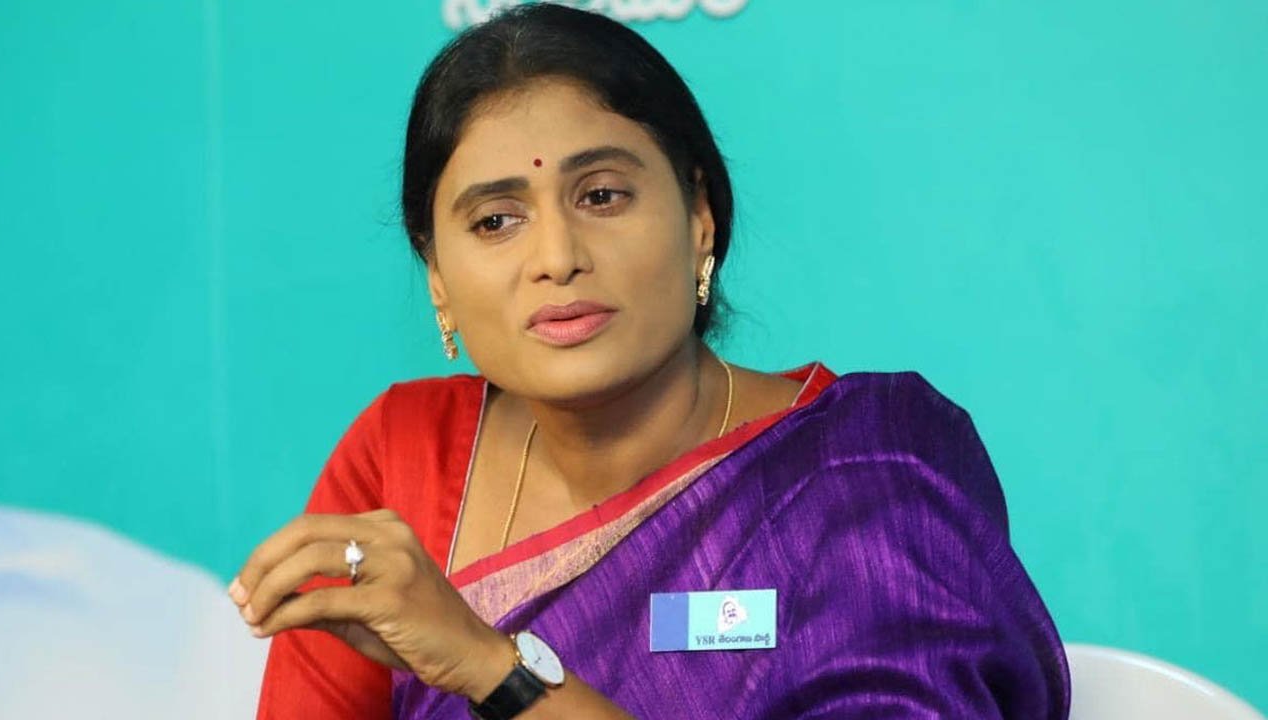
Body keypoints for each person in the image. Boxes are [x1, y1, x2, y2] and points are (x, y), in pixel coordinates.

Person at [231, 4, 1071, 718]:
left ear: (699, 215)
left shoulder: (868, 471)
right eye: (495, 221)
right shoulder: (403, 457)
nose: (557, 257)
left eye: (601, 196)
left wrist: (491, 667)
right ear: (438, 278)